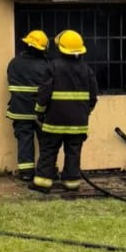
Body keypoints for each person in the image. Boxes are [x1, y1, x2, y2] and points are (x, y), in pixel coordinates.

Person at [31, 29, 99, 194]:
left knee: (49, 150)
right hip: (78, 123)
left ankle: (42, 182)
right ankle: (71, 182)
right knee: (73, 152)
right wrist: (85, 112)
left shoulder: (53, 67)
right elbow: (93, 97)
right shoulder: (87, 69)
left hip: (54, 121)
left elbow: (44, 92)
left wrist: (39, 111)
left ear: (61, 48)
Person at [5, 29, 51, 181]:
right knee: (45, 142)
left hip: (19, 110)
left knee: (24, 140)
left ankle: (26, 172)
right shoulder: (46, 66)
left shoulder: (14, 63)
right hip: (41, 112)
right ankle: (46, 171)